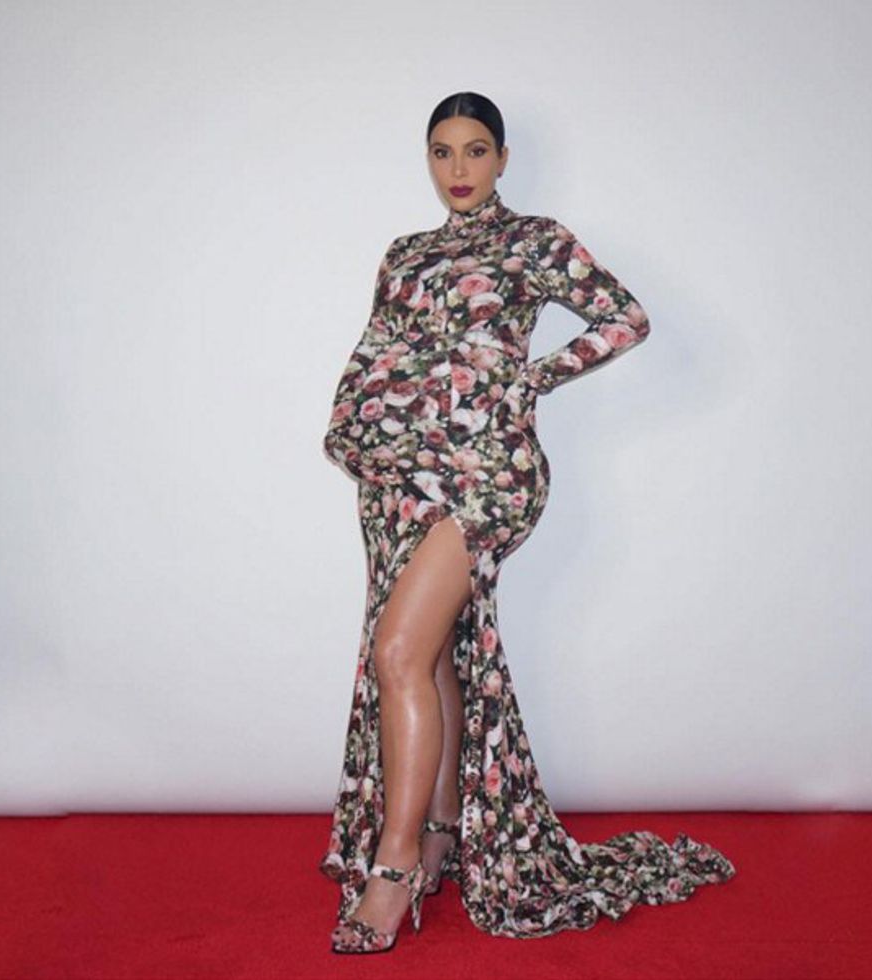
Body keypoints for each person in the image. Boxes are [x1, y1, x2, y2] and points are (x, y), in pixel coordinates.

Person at [320, 91, 736, 954]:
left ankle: (394, 867)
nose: (459, 169)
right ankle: (440, 833)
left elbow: (626, 318)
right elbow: (374, 353)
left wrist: (532, 378)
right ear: (428, 160)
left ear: (503, 158)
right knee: (429, 651)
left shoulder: (535, 241)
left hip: (489, 474)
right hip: (401, 475)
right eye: (442, 152)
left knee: (397, 651)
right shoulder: (405, 254)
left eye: (476, 150)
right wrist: (355, 432)